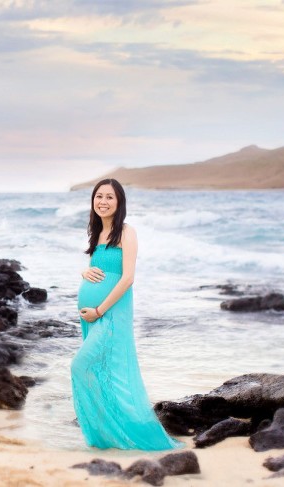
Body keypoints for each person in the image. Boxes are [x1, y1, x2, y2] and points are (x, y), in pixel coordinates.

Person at [71, 178, 182, 450]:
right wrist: (84, 272)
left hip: (109, 313)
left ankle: (129, 431)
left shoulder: (126, 231)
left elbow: (127, 278)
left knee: (86, 367)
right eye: (99, 196)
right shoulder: (96, 233)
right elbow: (96, 268)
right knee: (99, 372)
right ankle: (107, 434)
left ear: (119, 202)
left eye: (109, 197)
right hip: (91, 316)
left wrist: (99, 310)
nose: (103, 202)